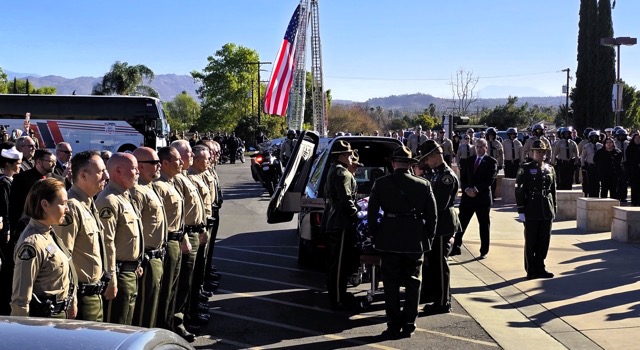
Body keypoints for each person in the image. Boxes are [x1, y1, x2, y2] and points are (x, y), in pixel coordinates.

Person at [368, 145, 437, 338]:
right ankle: (409, 323)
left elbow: (372, 214)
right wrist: (428, 238)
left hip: (388, 237)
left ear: (393, 163)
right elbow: (433, 216)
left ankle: (393, 324)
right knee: (413, 282)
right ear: (410, 164)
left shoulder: (381, 183)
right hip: (414, 238)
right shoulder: (423, 184)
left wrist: (374, 235)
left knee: (390, 283)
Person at [11, 178, 77, 318]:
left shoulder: (49, 233)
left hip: (57, 316)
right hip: (44, 321)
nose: (67, 209)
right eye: (63, 203)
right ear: (45, 205)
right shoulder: (32, 243)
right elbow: (21, 300)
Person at [56, 151, 109, 322]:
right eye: (101, 171)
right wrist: (71, 297)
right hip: (81, 297)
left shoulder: (89, 203)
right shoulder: (72, 207)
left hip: (94, 293)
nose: (106, 176)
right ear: (84, 175)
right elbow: (64, 257)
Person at [96, 153, 144, 325]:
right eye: (134, 168)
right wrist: (112, 278)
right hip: (119, 273)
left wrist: (136, 262)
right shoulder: (109, 200)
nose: (138, 172)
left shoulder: (125, 196)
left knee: (127, 323)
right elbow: (107, 242)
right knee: (116, 325)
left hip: (130, 271)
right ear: (118, 171)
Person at [416, 140, 460, 315]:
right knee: (431, 262)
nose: (425, 162)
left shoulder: (446, 177)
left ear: (436, 155)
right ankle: (430, 294)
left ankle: (443, 301)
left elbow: (439, 204)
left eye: (427, 158)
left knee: (440, 264)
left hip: (443, 224)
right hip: (435, 223)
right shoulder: (435, 174)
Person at [154, 146, 191, 341]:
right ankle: (165, 332)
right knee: (165, 293)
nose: (182, 163)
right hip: (167, 243)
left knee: (173, 291)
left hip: (176, 239)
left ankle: (171, 328)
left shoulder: (172, 182)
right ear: (165, 163)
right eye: (177, 160)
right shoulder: (159, 186)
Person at [171, 140, 207, 336]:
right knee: (182, 282)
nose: (192, 157)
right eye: (188, 154)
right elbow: (178, 214)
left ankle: (187, 314)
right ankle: (178, 321)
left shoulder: (183, 177)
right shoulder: (175, 179)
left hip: (194, 231)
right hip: (185, 234)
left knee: (190, 279)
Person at [320, 140, 359, 310]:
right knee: (339, 264)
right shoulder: (341, 173)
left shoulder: (336, 170)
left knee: (339, 262)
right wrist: (356, 214)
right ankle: (337, 298)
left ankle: (340, 294)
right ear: (341, 156)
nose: (351, 157)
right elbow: (346, 199)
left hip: (336, 221)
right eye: (349, 154)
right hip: (341, 222)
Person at [131, 147, 167, 328]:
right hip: (146, 258)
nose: (158, 165)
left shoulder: (150, 187)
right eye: (153, 162)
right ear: (140, 166)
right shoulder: (137, 192)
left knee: (153, 307)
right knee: (144, 311)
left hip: (157, 254)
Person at [515, 140, 557, 279]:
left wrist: (554, 208)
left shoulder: (550, 169)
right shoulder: (525, 168)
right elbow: (519, 190)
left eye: (542, 152)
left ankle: (540, 267)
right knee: (531, 241)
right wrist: (521, 210)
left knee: (544, 241)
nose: (540, 154)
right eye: (537, 151)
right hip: (531, 208)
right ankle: (531, 269)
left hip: (546, 207)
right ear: (532, 153)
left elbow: (553, 190)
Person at [452, 138, 497, 259]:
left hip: (482, 199)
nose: (479, 149)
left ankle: (484, 250)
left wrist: (476, 189)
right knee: (461, 223)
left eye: (481, 146)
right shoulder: (468, 161)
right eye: (477, 147)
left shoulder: (491, 162)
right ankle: (456, 246)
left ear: (486, 148)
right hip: (468, 198)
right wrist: (466, 189)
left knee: (483, 224)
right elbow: (463, 178)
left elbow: (489, 180)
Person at [9, 149, 64, 236]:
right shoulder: (22, 179)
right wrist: (13, 228)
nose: (54, 164)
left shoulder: (58, 180)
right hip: (28, 226)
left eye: (55, 161)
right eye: (50, 161)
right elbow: (14, 206)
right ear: (39, 162)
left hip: (52, 227)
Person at [0, 146, 22, 315]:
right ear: (8, 164)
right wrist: (7, 228)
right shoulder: (4, 183)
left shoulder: (13, 181)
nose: (20, 166)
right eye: (17, 163)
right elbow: (5, 208)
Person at [580, 130, 602, 197]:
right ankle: (591, 195)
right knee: (590, 181)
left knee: (597, 182)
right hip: (590, 166)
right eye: (593, 137)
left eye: (596, 137)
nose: (594, 139)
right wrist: (583, 165)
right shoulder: (586, 146)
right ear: (590, 138)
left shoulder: (601, 146)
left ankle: (597, 195)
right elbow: (583, 157)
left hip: (598, 166)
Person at [485, 128, 504, 199]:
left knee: (494, 179)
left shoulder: (498, 143)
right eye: (489, 135)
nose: (491, 136)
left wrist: (501, 164)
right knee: (485, 179)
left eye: (492, 135)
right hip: (486, 163)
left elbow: (501, 154)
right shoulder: (485, 143)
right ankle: (486, 194)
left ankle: (492, 194)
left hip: (495, 163)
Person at [614, 128, 630, 202]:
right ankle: (617, 196)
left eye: (623, 136)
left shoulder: (628, 143)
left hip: (626, 164)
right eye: (620, 136)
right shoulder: (614, 143)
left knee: (624, 182)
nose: (621, 137)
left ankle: (624, 197)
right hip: (617, 164)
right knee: (617, 181)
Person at [626, 133, 640, 206]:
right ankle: (634, 201)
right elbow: (629, 160)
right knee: (634, 186)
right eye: (636, 138)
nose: (638, 140)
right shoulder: (630, 148)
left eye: (639, 138)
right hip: (633, 170)